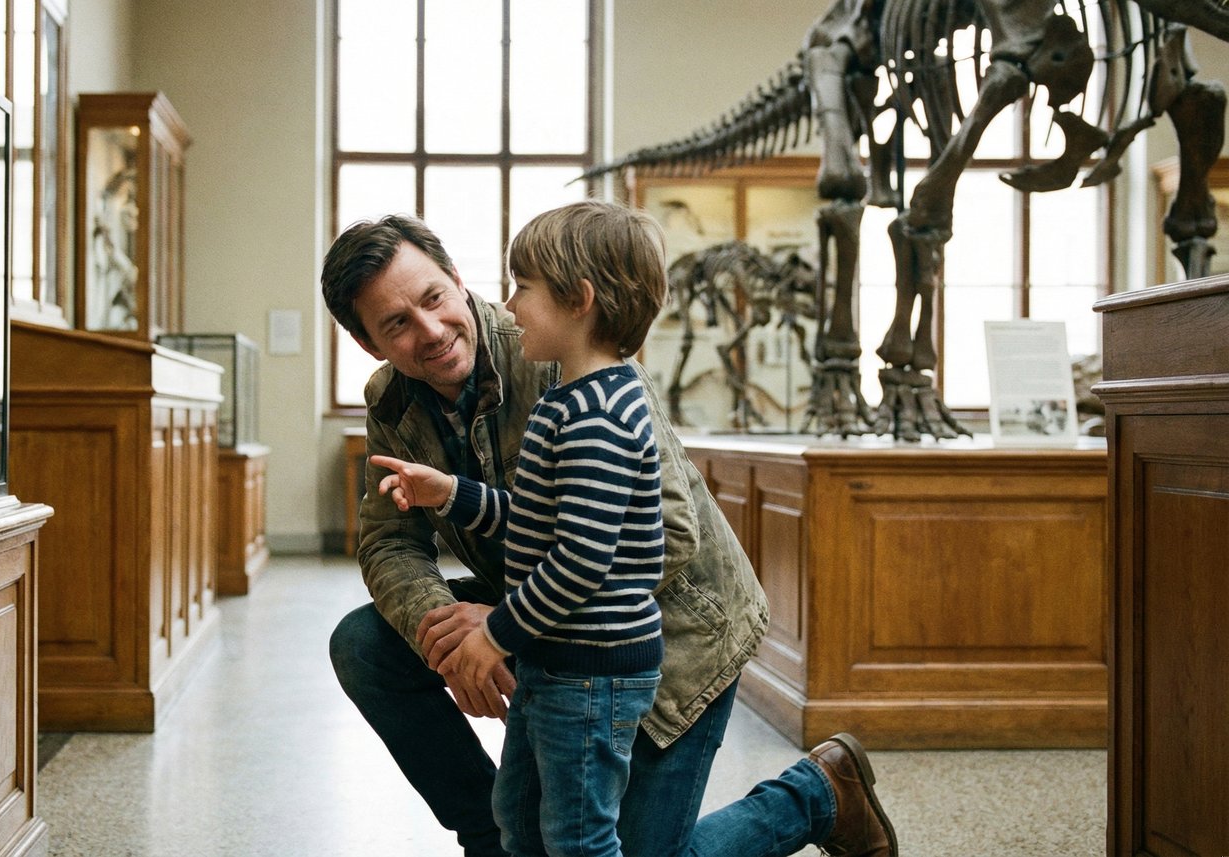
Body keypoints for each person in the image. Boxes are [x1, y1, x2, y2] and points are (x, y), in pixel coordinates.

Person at [322, 208, 898, 857]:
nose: (430, 331)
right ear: (371, 343)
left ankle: (817, 795)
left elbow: (660, 533)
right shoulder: (391, 399)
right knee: (364, 643)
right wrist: (451, 633)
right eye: (397, 323)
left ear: (456, 279)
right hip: (557, 627)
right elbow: (393, 540)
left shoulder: (567, 356)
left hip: (670, 637)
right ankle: (496, 845)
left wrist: (500, 627)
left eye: (434, 298)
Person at [368, 200, 670, 857]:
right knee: (521, 819)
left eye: (522, 288)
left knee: (580, 839)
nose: (505, 305)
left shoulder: (598, 415)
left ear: (578, 300)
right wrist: (450, 495)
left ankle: (810, 798)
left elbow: (581, 559)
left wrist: (495, 635)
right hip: (555, 652)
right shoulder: (570, 399)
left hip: (591, 667)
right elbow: (541, 516)